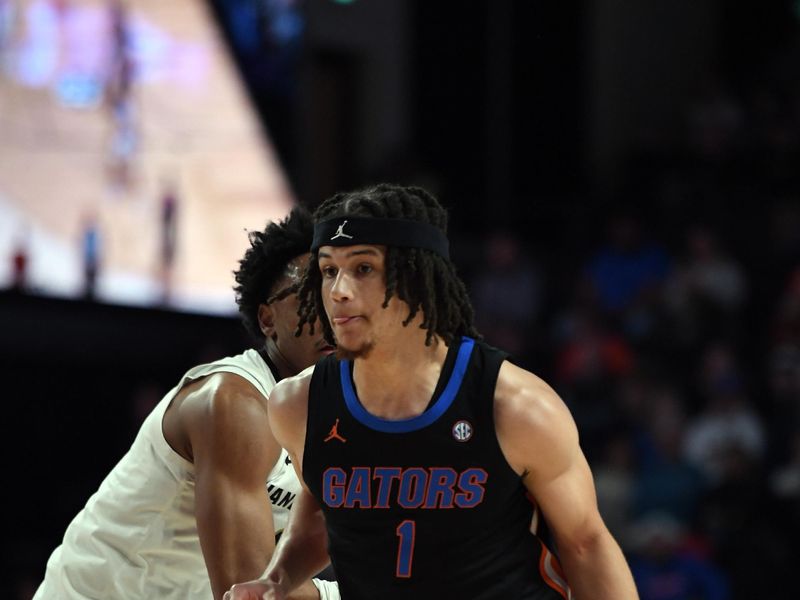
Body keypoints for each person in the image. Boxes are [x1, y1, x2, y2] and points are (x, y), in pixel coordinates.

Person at [226, 184, 639, 599]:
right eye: (329, 270)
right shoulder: (298, 405)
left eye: (363, 268)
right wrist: (276, 580)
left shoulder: (515, 406)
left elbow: (586, 544)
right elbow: (320, 518)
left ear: (415, 279)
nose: (338, 291)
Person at [34, 207, 338, 600]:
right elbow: (244, 589)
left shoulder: (346, 420)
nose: (331, 318)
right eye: (311, 300)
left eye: (339, 299)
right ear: (268, 320)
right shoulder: (234, 403)